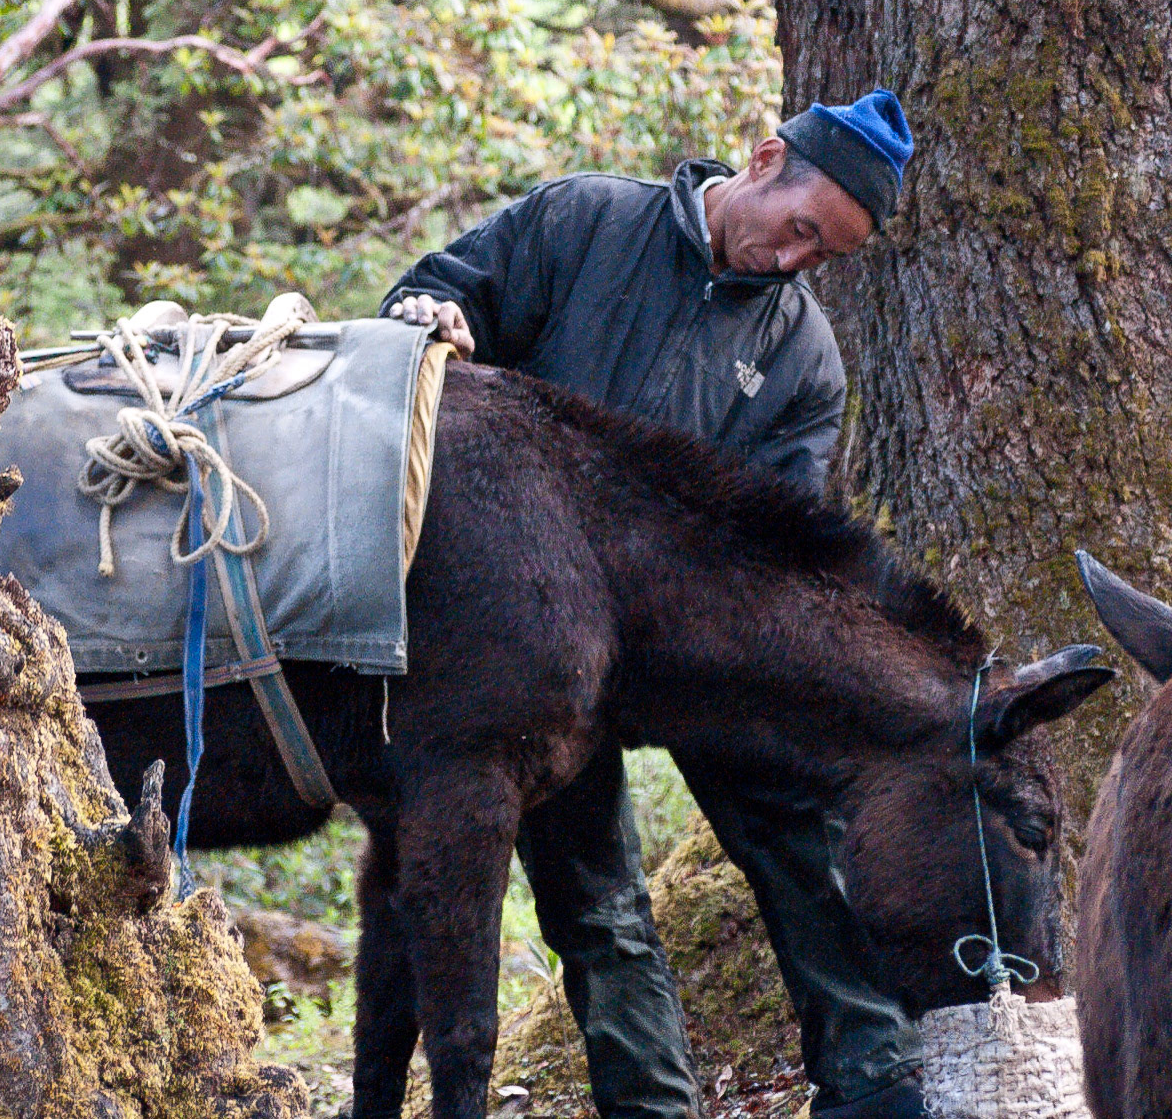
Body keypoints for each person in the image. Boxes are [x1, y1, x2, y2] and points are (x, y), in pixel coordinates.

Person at [380, 91, 924, 1119]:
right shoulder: (587, 222)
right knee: (595, 903)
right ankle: (651, 1107)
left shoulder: (805, 360)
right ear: (766, 160)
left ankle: (875, 1080)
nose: (800, 262)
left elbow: (779, 532)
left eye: (829, 255)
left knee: (796, 830)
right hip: (528, 646)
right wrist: (437, 323)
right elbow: (432, 301)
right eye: (803, 230)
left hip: (692, 649)